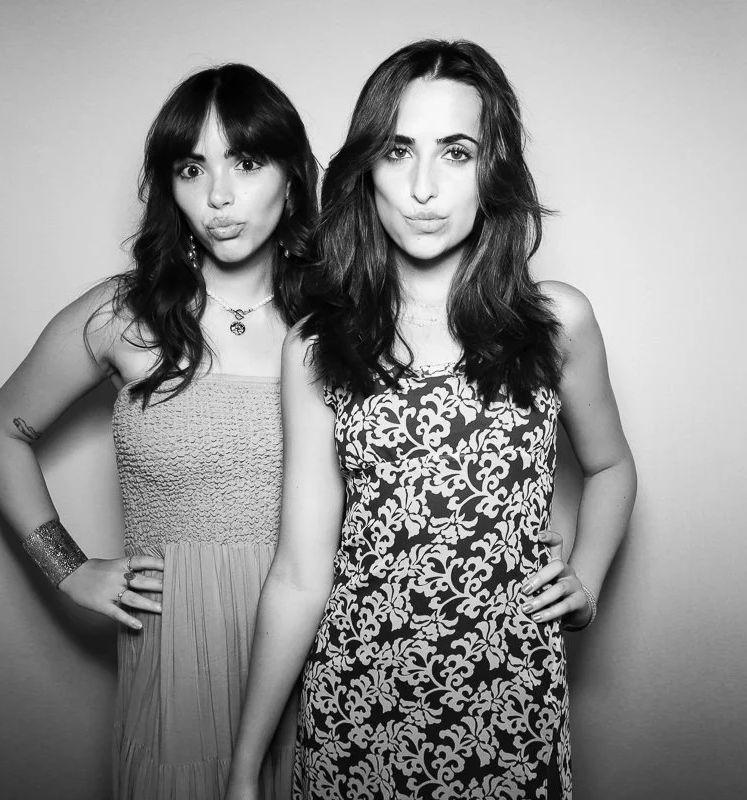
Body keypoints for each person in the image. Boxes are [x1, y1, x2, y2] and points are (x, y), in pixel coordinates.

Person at [225, 40, 637, 800]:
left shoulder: (556, 323)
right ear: (366, 171)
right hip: (354, 709)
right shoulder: (318, 345)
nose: (422, 186)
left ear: (494, 168)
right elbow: (299, 571)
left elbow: (612, 467)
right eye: (396, 150)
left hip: (510, 707)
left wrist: (588, 576)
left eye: (455, 151)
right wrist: (246, 765)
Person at [0, 63, 318, 799]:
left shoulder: (344, 323)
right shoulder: (122, 315)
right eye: (193, 168)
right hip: (177, 649)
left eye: (247, 163)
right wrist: (66, 567)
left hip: (323, 639)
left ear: (292, 178)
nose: (219, 197)